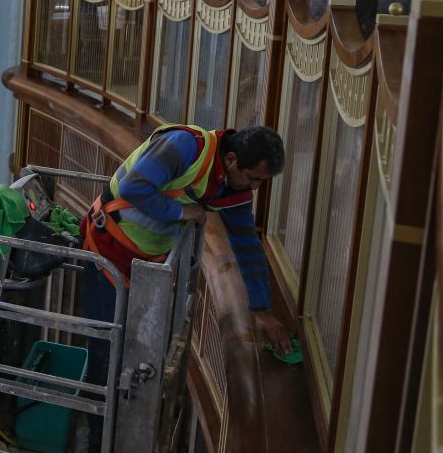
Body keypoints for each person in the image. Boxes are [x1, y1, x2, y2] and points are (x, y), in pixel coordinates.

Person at [78, 124, 292, 381]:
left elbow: (247, 246)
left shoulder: (233, 188)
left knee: (129, 354)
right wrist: (181, 213)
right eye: (253, 178)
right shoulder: (186, 145)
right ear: (231, 160)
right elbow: (132, 187)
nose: (255, 187)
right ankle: (96, 420)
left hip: (144, 264)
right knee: (106, 350)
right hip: (106, 252)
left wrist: (262, 310)